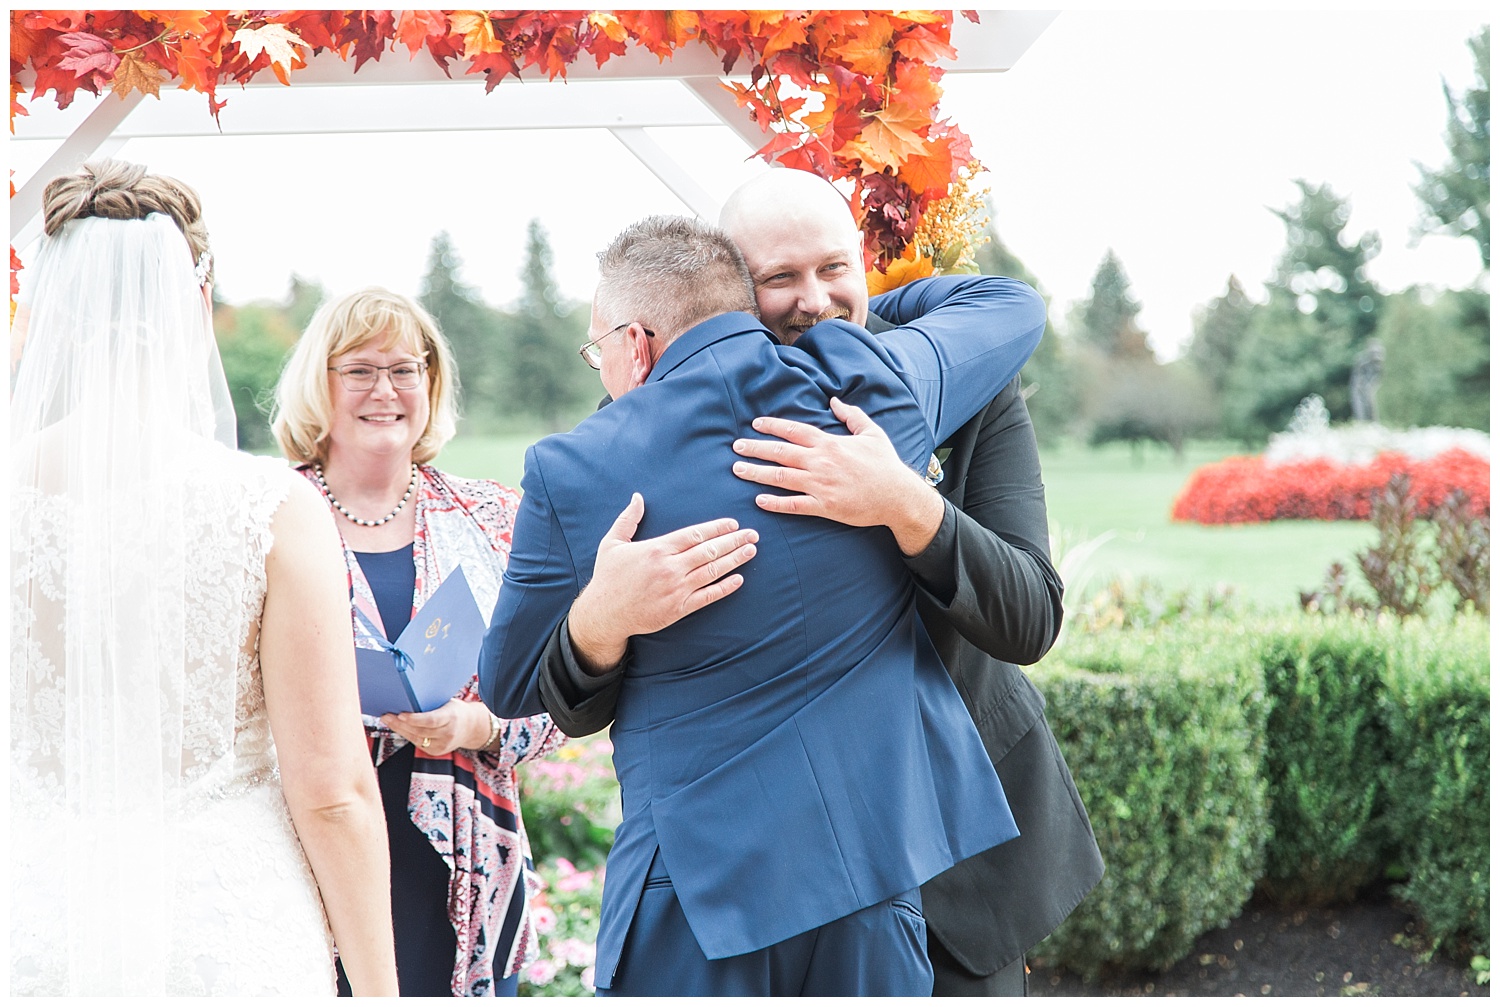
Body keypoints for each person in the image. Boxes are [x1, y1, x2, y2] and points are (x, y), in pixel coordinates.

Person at [540, 168, 1105, 995]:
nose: (815, 298)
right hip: (769, 883)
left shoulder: (967, 387)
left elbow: (1029, 619)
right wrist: (600, 616)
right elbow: (572, 701)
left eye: (835, 267)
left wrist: (908, 506)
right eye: (779, 278)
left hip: (958, 856)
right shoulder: (636, 443)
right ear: (729, 290)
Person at [10, 159, 397, 996]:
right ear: (195, 296)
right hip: (222, 930)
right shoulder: (269, 509)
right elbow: (331, 791)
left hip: (36, 923)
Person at [270, 288, 564, 997]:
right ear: (321, 382)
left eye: (406, 368)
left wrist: (478, 721)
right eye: (361, 369)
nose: (386, 390)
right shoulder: (271, 518)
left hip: (464, 857)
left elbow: (559, 683)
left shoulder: (494, 515)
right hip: (312, 848)